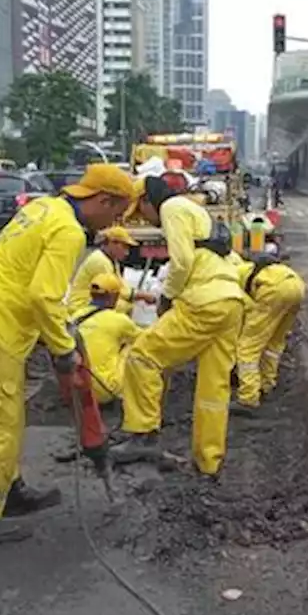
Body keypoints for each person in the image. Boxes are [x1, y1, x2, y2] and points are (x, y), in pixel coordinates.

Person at [0, 164, 134, 549]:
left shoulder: (44, 207)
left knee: (5, 414)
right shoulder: (68, 231)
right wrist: (63, 348)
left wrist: (64, 328)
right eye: (113, 215)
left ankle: (8, 490)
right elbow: (43, 295)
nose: (109, 225)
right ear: (102, 200)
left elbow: (32, 282)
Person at [109, 176, 245, 478]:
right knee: (214, 388)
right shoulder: (194, 210)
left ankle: (142, 434)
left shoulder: (171, 207)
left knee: (142, 356)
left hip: (202, 301)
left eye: (141, 211)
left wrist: (167, 297)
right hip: (230, 300)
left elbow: (181, 261)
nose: (143, 218)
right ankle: (208, 462)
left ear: (147, 199)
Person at [229, 244, 305, 417]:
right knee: (274, 342)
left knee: (247, 347)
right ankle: (266, 384)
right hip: (296, 285)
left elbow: (247, 306)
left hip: (273, 290)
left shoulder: (230, 280)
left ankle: (248, 397)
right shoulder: (244, 269)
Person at [72, 272, 145, 405]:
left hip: (76, 390)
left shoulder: (76, 316)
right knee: (133, 346)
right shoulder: (118, 320)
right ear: (115, 296)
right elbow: (147, 339)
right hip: (105, 391)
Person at [67, 224, 157, 315]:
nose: (127, 252)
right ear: (112, 243)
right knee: (123, 307)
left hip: (93, 301)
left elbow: (121, 285)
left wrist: (140, 295)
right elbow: (113, 290)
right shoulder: (100, 261)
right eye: (124, 246)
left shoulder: (112, 260)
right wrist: (142, 296)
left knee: (127, 305)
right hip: (82, 305)